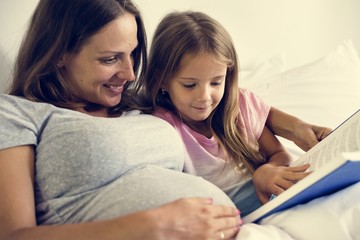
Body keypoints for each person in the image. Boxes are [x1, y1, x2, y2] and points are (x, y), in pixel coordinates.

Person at [0, 0, 333, 240]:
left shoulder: (134, 100)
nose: (130, 73)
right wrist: (152, 226)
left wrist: (289, 124)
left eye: (133, 54)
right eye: (110, 58)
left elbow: (223, 93)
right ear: (59, 53)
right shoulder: (19, 114)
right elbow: (13, 234)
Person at [135, 10, 331, 215]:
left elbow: (279, 153)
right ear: (163, 79)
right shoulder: (163, 128)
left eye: (216, 82)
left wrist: (266, 171)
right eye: (190, 85)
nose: (205, 96)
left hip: (274, 201)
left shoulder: (240, 106)